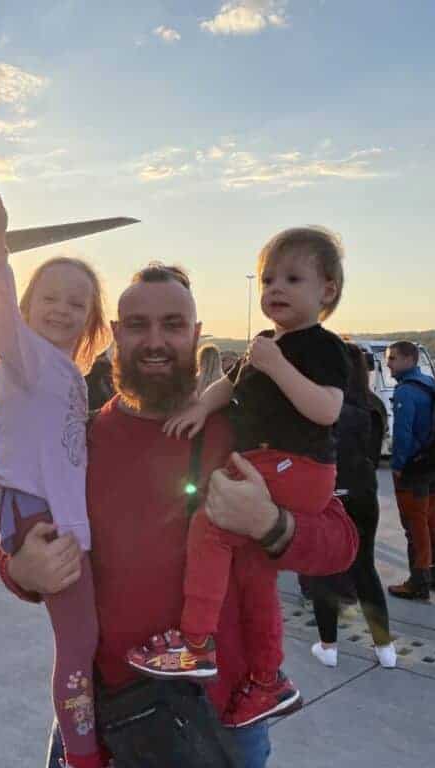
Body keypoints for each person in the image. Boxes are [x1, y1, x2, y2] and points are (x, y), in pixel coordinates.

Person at [0, 261, 358, 768]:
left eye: (172, 324)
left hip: (217, 720)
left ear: (196, 334)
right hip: (104, 715)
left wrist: (271, 524)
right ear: (117, 336)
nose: (155, 341)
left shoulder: (243, 432)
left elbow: (342, 541)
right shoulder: (78, 438)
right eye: (139, 326)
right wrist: (19, 571)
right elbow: (27, 539)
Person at [133, 227, 350, 727]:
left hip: (297, 465)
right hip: (273, 464)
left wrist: (276, 366)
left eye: (292, 278)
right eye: (269, 278)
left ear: (328, 290)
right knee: (257, 579)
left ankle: (193, 642)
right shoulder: (264, 346)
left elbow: (326, 410)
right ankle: (268, 680)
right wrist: (196, 409)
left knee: (211, 524)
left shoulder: (319, 347)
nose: (275, 288)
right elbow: (227, 388)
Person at [0, 177, 112, 768]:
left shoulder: (70, 375)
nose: (62, 309)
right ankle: (80, 754)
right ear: (28, 308)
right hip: (36, 515)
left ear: (90, 322)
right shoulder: (25, 357)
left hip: (59, 517)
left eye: (77, 304)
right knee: (77, 645)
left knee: (86, 640)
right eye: (50, 297)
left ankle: (84, 745)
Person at [308, 342, 397, 668]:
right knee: (365, 570)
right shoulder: (373, 404)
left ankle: (329, 645)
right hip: (364, 493)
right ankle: (385, 648)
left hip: (329, 494)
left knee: (324, 571)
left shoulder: (326, 406)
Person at [385, 340, 435, 600]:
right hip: (434, 465)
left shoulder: (405, 392)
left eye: (393, 358)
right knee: (432, 518)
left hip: (415, 468)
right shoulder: (432, 384)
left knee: (415, 523)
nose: (388, 364)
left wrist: (398, 466)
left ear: (410, 360)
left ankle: (419, 580)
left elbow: (402, 434)